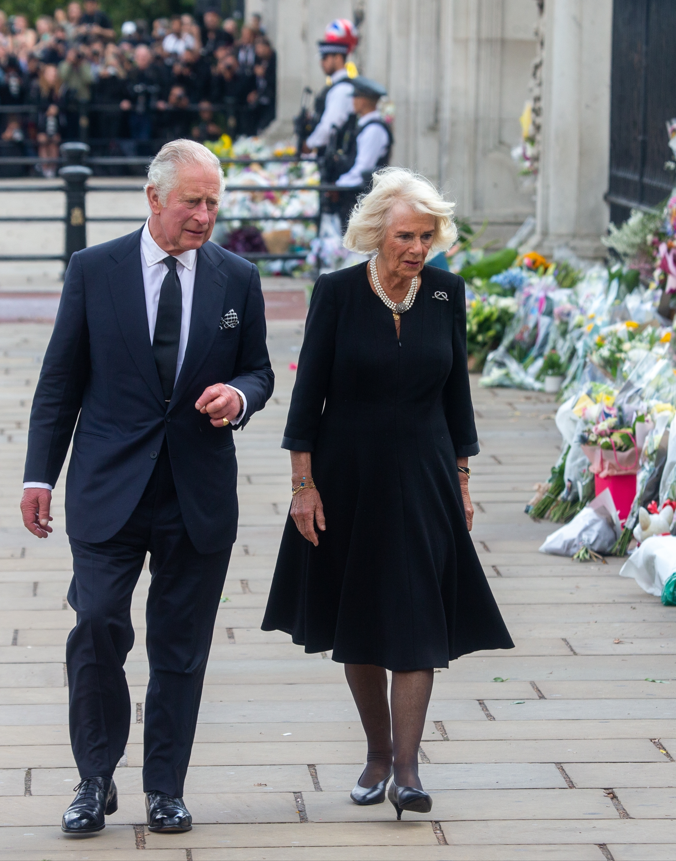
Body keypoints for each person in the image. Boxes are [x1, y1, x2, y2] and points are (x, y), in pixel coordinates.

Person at [20, 140, 273, 836]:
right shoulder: (94, 270)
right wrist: (39, 473)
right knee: (97, 624)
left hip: (195, 494)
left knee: (179, 646)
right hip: (108, 489)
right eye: (191, 200)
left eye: (212, 202)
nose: (202, 215)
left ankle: (165, 787)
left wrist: (239, 396)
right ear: (153, 197)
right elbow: (59, 381)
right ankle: (93, 777)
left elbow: (259, 369)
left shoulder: (235, 279)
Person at [260, 168, 513, 819]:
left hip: (425, 477)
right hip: (348, 479)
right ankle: (376, 752)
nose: (417, 247)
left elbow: (456, 393)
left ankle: (407, 767)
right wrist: (301, 484)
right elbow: (306, 397)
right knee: (364, 620)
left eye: (427, 235)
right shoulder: (338, 293)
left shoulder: (444, 294)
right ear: (376, 232)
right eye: (405, 234)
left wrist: (462, 479)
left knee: (417, 617)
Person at [322, 77, 393, 216]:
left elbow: (363, 170)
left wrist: (338, 186)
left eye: (355, 97)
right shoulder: (364, 125)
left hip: (362, 198)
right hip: (355, 195)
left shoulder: (373, 129)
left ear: (363, 101)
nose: (352, 101)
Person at [301, 23, 355, 154]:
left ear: (338, 58)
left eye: (325, 58)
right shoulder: (335, 86)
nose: (321, 63)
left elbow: (330, 126)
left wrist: (308, 145)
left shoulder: (342, 89)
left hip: (335, 157)